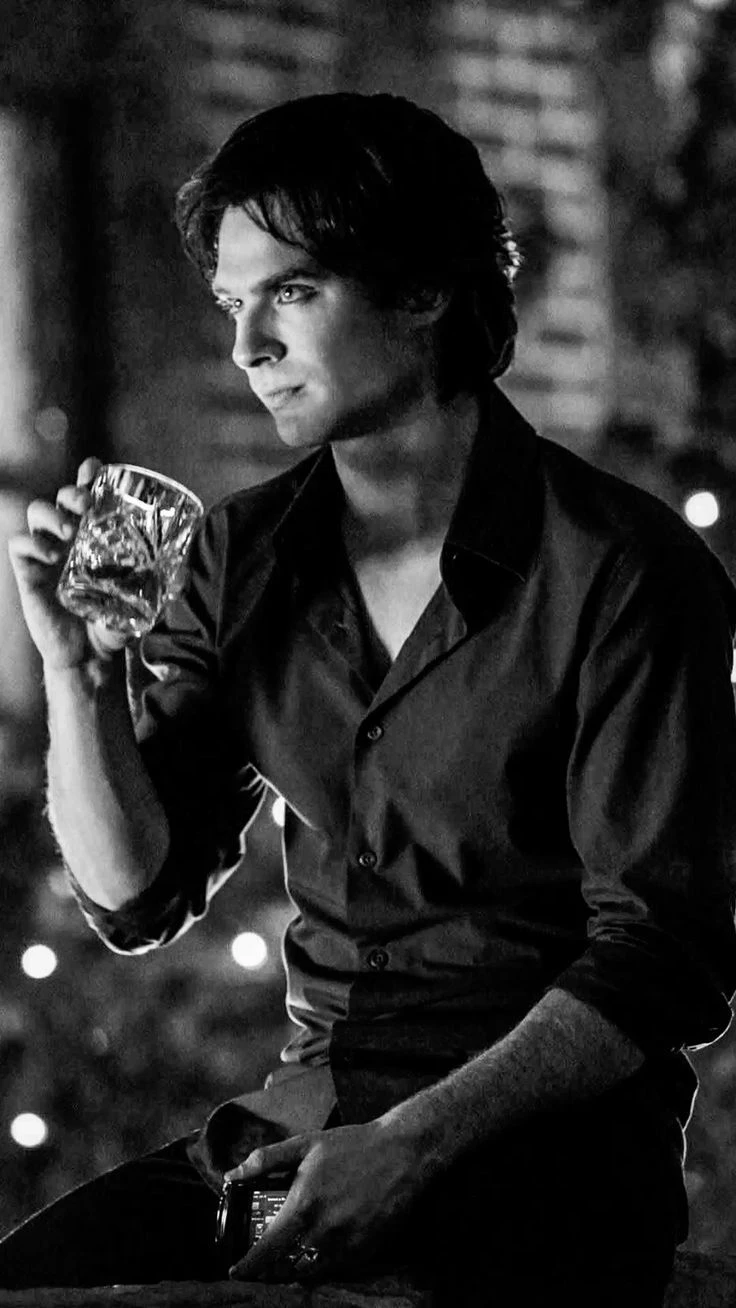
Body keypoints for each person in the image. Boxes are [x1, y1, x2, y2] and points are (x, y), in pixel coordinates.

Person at [4, 92, 736, 1307]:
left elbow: (660, 957)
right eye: (231, 303)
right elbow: (133, 892)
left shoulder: (623, 571)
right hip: (304, 1121)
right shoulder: (238, 557)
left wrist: (407, 1147)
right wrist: (77, 673)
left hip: (544, 1165)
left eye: (290, 292)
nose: (247, 348)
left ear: (423, 289)